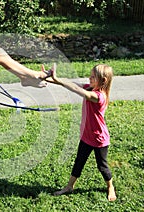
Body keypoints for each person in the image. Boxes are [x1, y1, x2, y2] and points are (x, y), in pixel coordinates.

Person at [46, 64, 117, 201]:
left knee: (102, 166)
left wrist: (56, 79)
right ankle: (69, 186)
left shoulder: (98, 96)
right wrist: (48, 78)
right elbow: (70, 84)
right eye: (90, 75)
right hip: (86, 136)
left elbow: (77, 91)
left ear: (103, 80)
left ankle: (110, 187)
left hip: (99, 138)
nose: (89, 78)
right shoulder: (89, 87)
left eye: (93, 77)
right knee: (79, 162)